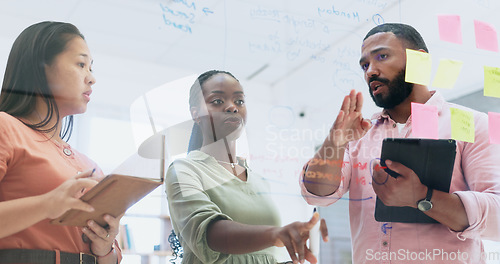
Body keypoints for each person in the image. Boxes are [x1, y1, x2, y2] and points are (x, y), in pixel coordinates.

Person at [300, 23, 500, 263]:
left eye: (381, 56)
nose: (370, 71)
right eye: (364, 65)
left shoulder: (474, 125)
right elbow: (317, 194)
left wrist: (423, 197)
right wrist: (335, 140)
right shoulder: (357, 136)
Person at [165, 70, 328, 264]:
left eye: (239, 101)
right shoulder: (183, 170)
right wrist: (276, 234)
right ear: (196, 114)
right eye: (217, 101)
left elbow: (263, 256)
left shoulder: (259, 182)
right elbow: (209, 235)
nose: (232, 107)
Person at [0, 21, 122, 263]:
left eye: (91, 67)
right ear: (41, 68)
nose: (92, 78)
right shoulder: (6, 127)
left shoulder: (89, 164)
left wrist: (104, 246)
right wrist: (47, 205)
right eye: (81, 64)